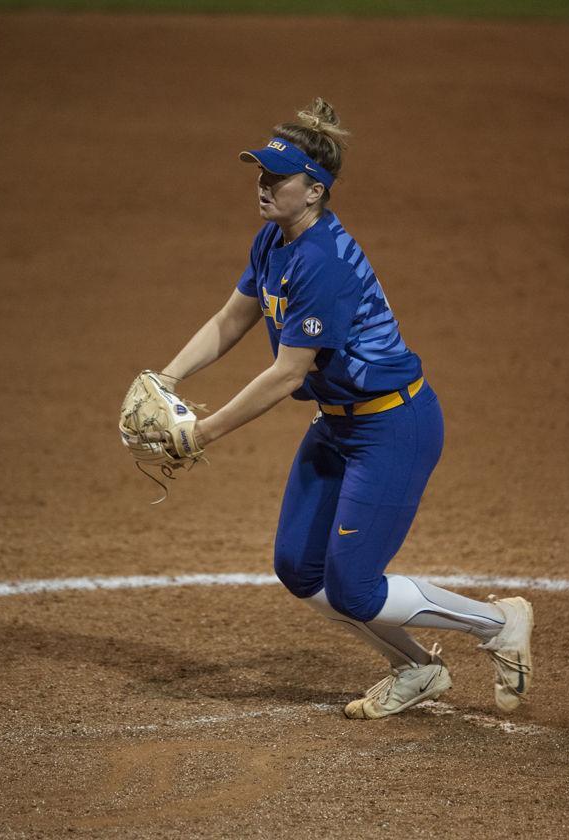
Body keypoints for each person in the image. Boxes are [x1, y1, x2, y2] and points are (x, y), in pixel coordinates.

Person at [154, 98, 533, 719]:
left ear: (315, 191)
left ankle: (497, 624)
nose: (264, 185)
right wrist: (166, 376)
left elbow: (287, 374)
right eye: (261, 174)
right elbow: (231, 320)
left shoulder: (323, 261)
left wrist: (202, 432)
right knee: (299, 568)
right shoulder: (274, 241)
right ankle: (417, 668)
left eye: (278, 177)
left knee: (355, 586)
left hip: (393, 426)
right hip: (338, 425)